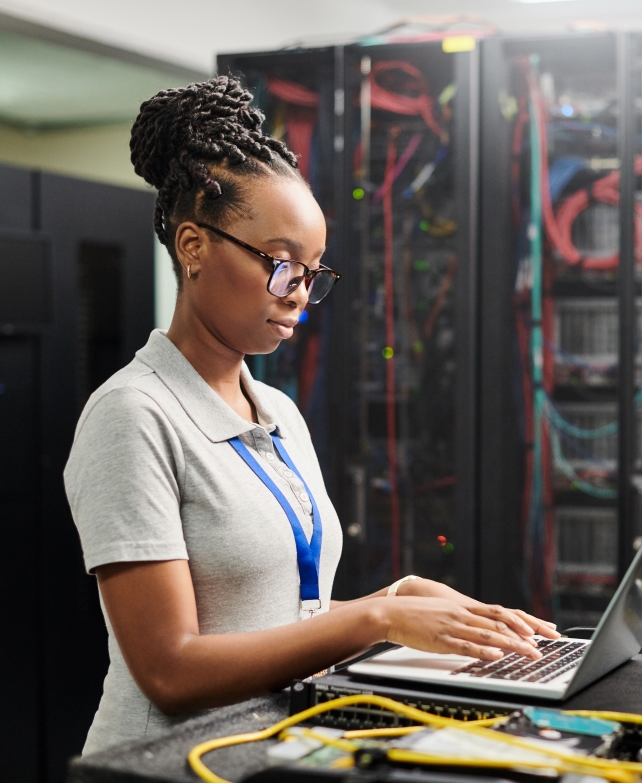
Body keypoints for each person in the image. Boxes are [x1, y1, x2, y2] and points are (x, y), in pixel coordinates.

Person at [64, 75, 559, 754]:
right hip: (162, 764)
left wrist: (400, 595)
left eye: (313, 273)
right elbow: (169, 670)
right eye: (281, 264)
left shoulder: (280, 413)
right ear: (193, 245)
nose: (298, 293)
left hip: (275, 749)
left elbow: (280, 615)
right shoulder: (132, 416)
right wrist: (376, 619)